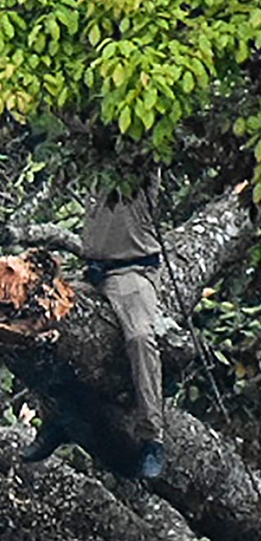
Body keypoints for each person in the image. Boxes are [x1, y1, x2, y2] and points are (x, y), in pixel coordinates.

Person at [82, 172, 168, 479]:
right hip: (91, 271)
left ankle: (152, 438)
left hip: (130, 271)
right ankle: (59, 417)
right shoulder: (95, 152)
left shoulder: (139, 160)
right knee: (38, 315)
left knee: (140, 338)